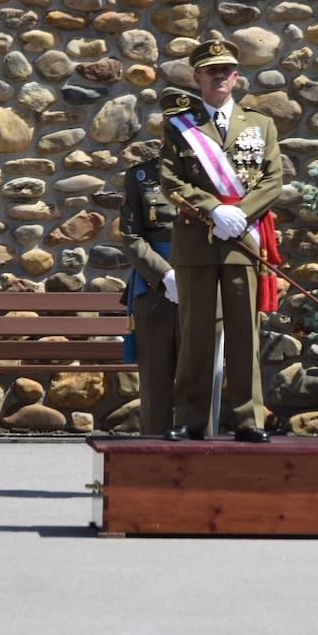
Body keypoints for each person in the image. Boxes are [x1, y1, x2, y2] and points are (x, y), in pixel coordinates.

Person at [159, 39, 281, 443]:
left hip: (243, 241)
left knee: (244, 335)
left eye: (226, 70)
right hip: (196, 241)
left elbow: (272, 180)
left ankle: (248, 420)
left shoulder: (260, 125)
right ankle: (190, 418)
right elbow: (170, 181)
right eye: (210, 70)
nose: (219, 76)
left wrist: (242, 214)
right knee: (195, 333)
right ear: (197, 77)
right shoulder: (180, 126)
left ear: (236, 76)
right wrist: (212, 208)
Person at [119, 111, 183, 436]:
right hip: (154, 290)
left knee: (199, 383)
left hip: (202, 288)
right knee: (155, 384)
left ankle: (200, 457)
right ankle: (154, 452)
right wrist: (165, 275)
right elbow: (131, 236)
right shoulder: (141, 177)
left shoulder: (215, 180)